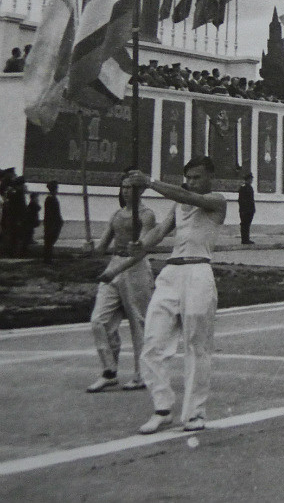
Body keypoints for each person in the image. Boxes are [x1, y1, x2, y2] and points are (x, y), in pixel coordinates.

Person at [126, 156, 227, 434]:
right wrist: (141, 245)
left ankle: (194, 413)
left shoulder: (217, 201)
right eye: (188, 178)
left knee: (196, 346)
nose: (191, 182)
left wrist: (149, 182)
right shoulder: (179, 203)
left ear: (210, 178)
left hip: (199, 272)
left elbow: (189, 196)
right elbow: (159, 231)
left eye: (197, 177)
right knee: (152, 343)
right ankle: (162, 408)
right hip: (171, 274)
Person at [84, 176, 157, 393]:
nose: (125, 191)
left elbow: (142, 248)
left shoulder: (147, 215)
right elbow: (102, 247)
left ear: (141, 191)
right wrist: (91, 249)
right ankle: (109, 371)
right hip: (115, 264)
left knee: (138, 322)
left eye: (130, 188)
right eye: (123, 187)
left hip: (136, 268)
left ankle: (142, 374)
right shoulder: (116, 215)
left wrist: (136, 247)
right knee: (99, 320)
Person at [42, 181, 63, 263]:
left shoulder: (51, 198)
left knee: (50, 240)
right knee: (49, 240)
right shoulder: (50, 199)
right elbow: (51, 213)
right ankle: (47, 258)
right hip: (51, 223)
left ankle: (48, 258)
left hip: (52, 223)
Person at [238, 172, 256, 245]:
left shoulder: (250, 187)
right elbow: (241, 200)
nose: (251, 180)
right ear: (248, 179)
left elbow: (251, 199)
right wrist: (243, 209)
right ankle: (244, 240)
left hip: (249, 210)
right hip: (245, 210)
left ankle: (246, 239)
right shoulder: (243, 187)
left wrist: (253, 209)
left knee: (247, 225)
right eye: (251, 179)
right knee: (244, 224)